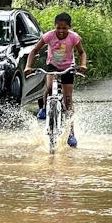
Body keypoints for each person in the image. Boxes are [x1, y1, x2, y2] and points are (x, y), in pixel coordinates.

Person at [26, 12, 87, 148]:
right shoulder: (49, 36)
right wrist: (28, 66)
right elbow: (34, 50)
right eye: (58, 28)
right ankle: (43, 107)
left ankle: (71, 133)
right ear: (55, 27)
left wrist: (83, 65)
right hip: (52, 65)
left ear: (69, 27)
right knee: (48, 88)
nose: (61, 31)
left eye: (64, 28)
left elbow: (82, 52)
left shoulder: (74, 37)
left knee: (68, 100)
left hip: (68, 67)